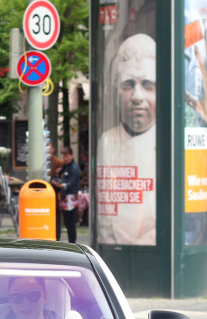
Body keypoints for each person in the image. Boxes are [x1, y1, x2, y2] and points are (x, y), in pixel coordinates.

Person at [95, 34, 157, 245]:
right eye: (128, 84)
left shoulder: (168, 146)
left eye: (148, 85)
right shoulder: (106, 141)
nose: (137, 96)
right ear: (116, 90)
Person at [51, 146, 81, 243]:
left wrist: (60, 185)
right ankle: (71, 241)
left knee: (71, 223)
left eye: (67, 156)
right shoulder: (65, 166)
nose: (65, 158)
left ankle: (72, 242)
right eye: (63, 156)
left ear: (71, 156)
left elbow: (71, 183)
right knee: (67, 222)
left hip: (71, 197)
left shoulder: (74, 168)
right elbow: (62, 177)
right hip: (65, 198)